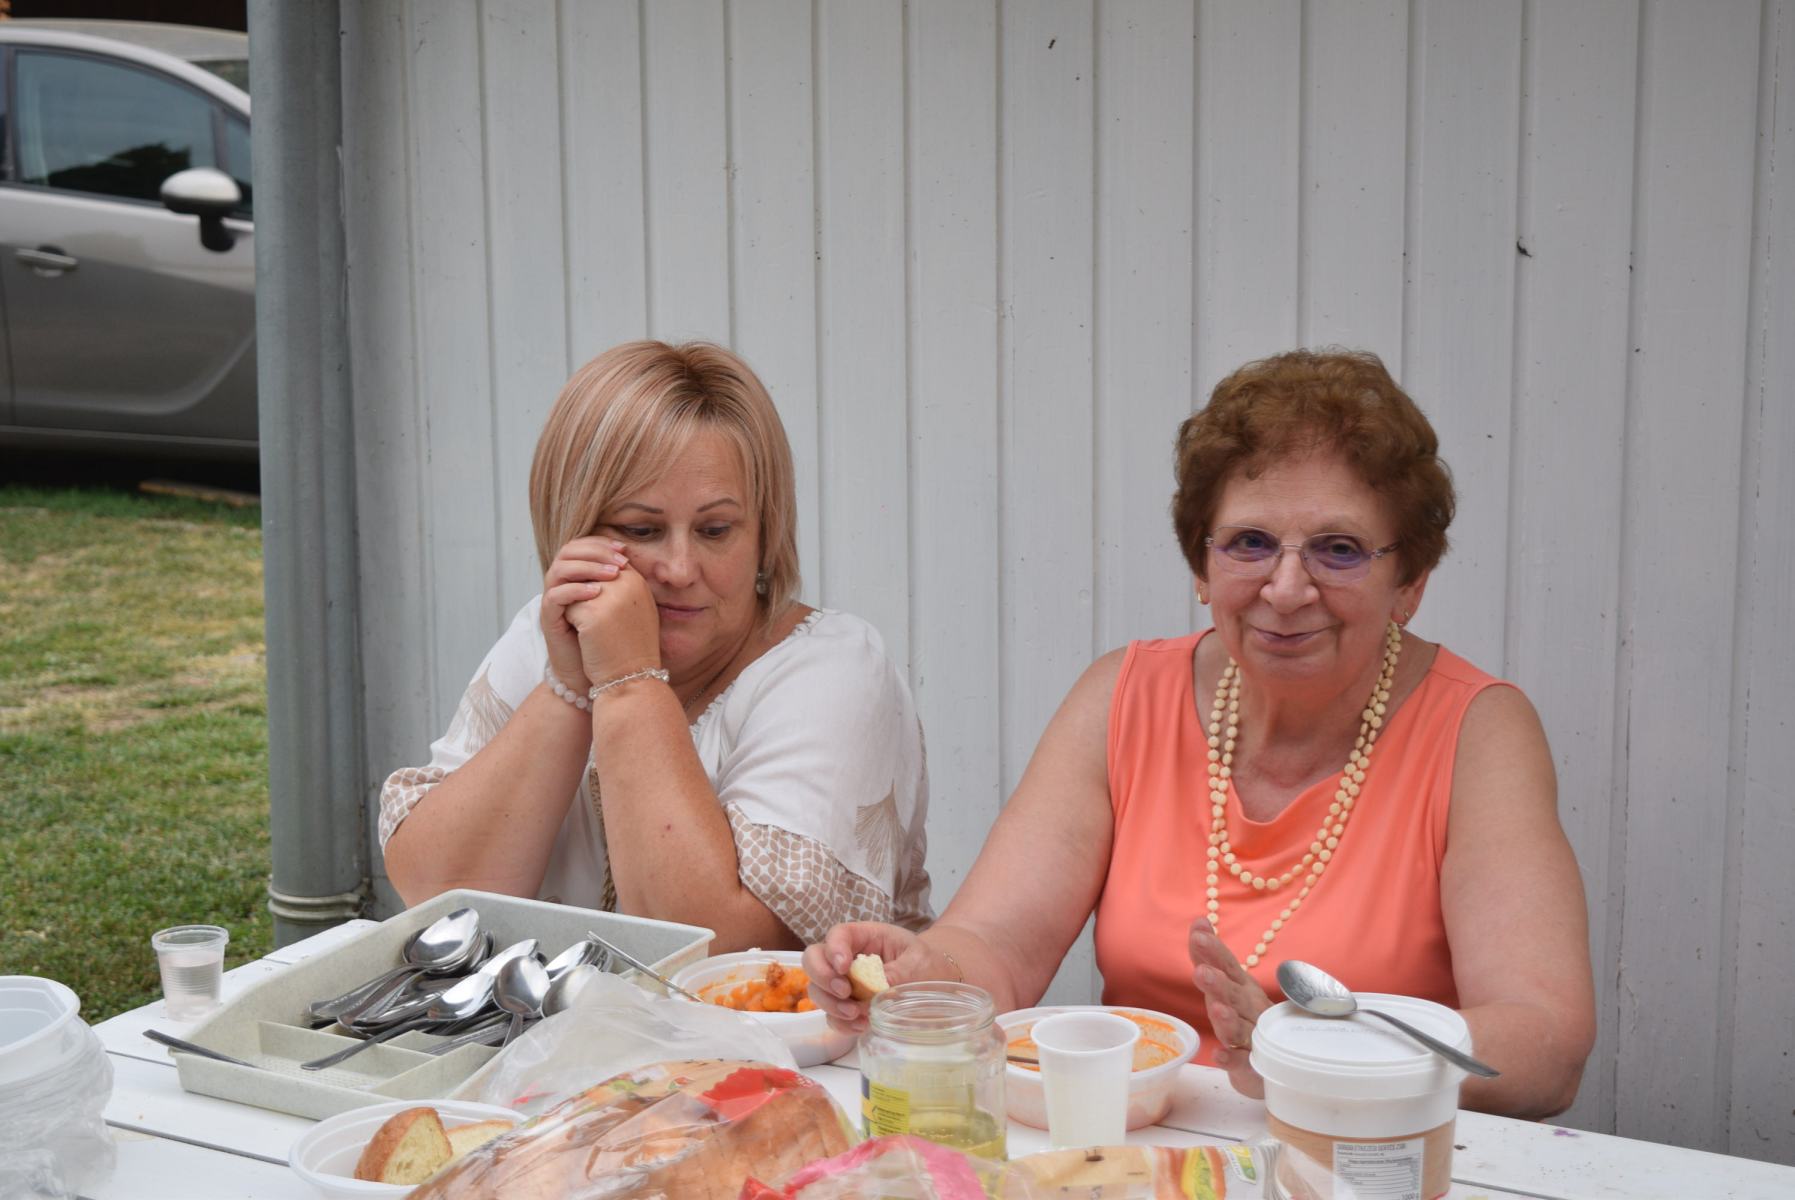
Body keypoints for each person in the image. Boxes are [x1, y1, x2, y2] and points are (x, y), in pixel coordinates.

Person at [805, 349, 1594, 1119]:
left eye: (1338, 550)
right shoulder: (1122, 697)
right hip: (1141, 1150)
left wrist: (1303, 1051)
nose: (1286, 589)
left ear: (1409, 582)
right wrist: (926, 976)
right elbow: (999, 942)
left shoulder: (1477, 732)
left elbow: (1543, 1045)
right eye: (1250, 543)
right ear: (1200, 564)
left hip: (1366, 1155)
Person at [381, 340, 931, 951]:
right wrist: (568, 691)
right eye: (640, 530)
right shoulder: (544, 636)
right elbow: (437, 898)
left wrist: (629, 682)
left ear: (764, 536)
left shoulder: (832, 668)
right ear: (571, 528)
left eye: (715, 530)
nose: (679, 568)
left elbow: (720, 950)